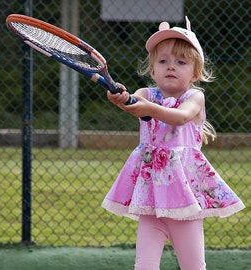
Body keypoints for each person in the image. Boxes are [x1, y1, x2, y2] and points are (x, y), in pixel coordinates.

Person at [101, 16, 245, 270]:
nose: (171, 67)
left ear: (195, 72)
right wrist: (121, 98)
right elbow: (132, 102)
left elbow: (179, 118)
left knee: (193, 266)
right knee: (144, 266)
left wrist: (147, 108)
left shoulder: (195, 97)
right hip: (151, 203)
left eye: (181, 62)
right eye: (163, 61)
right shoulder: (147, 95)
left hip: (185, 202)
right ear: (152, 69)